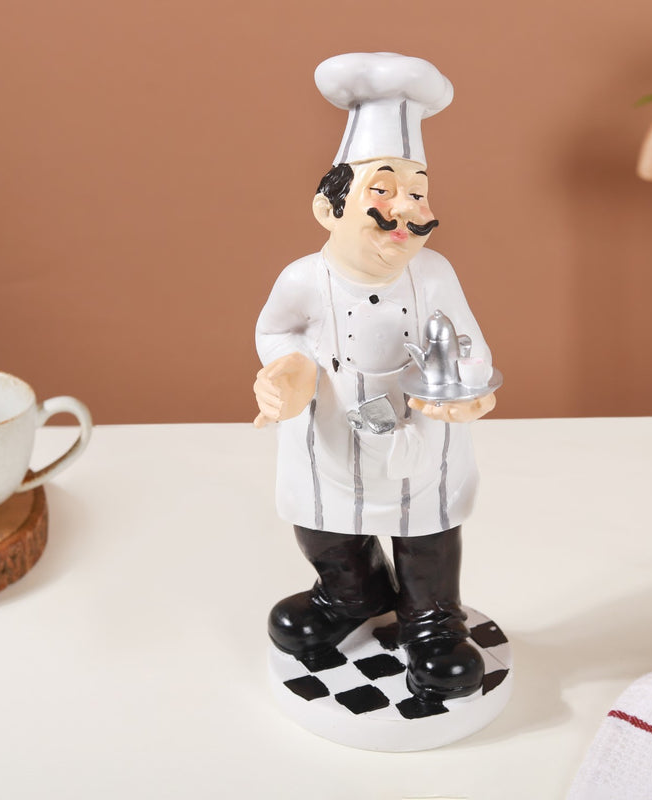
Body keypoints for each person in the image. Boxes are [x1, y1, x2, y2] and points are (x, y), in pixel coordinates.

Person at [253, 53, 496, 702]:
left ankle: (432, 621)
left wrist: (470, 390)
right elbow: (276, 333)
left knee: (427, 535)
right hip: (331, 425)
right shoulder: (304, 279)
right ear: (327, 209)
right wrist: (286, 371)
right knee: (324, 526)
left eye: (418, 192)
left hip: (419, 427)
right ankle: (351, 594)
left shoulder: (435, 274)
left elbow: (467, 344)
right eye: (383, 191)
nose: (406, 211)